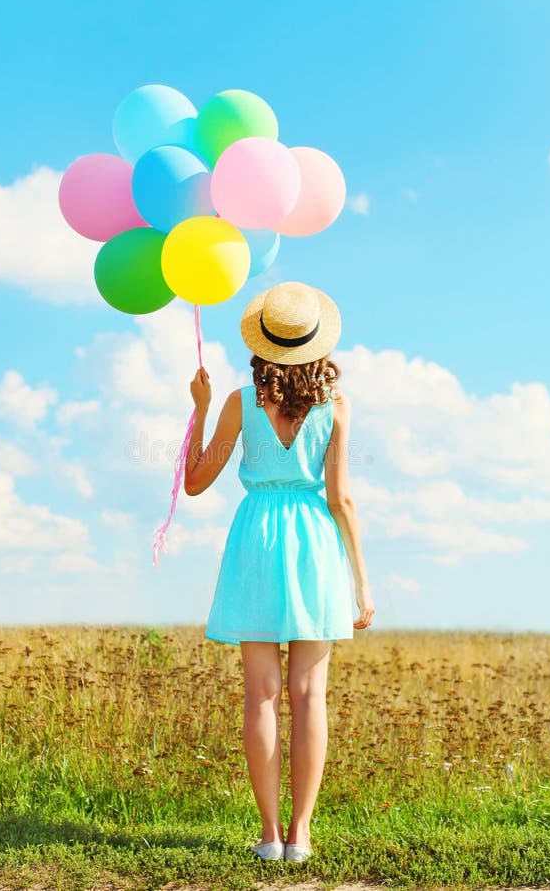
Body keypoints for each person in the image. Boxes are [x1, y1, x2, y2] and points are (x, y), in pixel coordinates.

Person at [183, 281, 374, 864]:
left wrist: (200, 408)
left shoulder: (241, 402)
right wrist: (361, 583)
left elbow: (194, 482)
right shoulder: (336, 406)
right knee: (309, 694)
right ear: (317, 344)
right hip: (315, 542)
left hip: (257, 542)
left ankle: (268, 836)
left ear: (262, 343)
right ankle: (302, 836)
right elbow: (342, 500)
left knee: (261, 695)